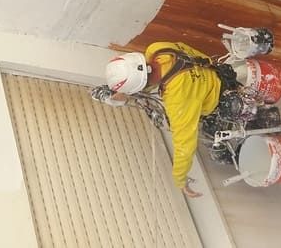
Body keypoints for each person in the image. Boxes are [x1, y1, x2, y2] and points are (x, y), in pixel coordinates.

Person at [94, 41, 224, 198]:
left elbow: (185, 145)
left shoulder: (177, 98)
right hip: (217, 70)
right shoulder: (156, 48)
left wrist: (180, 180)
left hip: (218, 100)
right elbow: (150, 73)